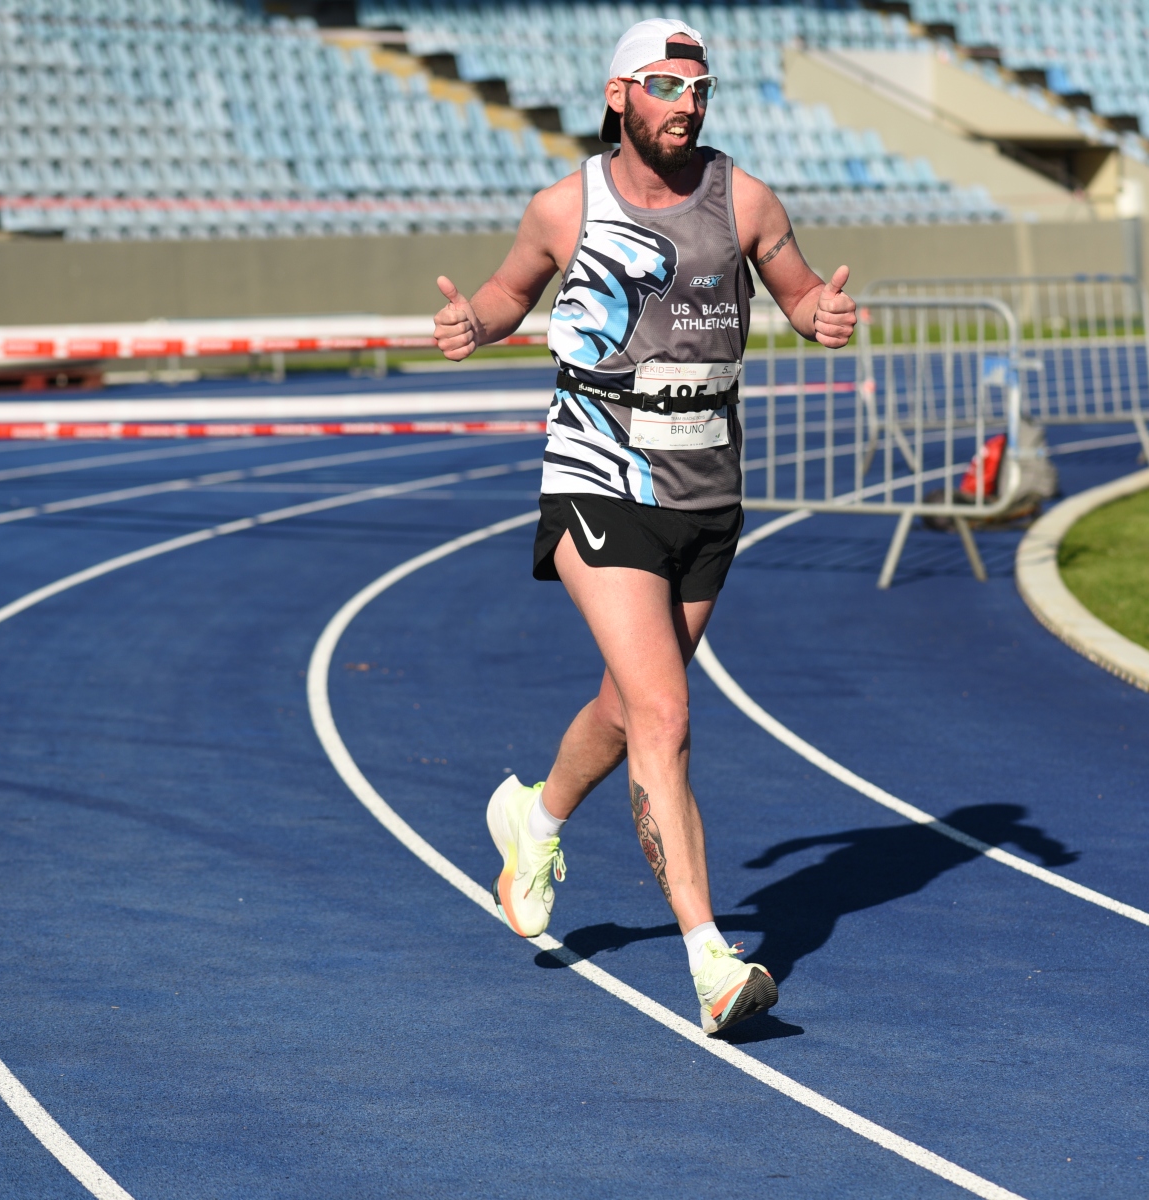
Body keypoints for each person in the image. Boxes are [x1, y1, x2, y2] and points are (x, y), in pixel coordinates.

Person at [432, 17, 857, 1036]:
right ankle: (711, 960)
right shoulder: (565, 206)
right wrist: (474, 323)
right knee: (665, 713)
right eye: (666, 85)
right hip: (599, 471)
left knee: (627, 709)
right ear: (618, 95)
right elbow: (507, 294)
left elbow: (800, 295)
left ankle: (533, 818)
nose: (687, 104)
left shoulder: (745, 200)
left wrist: (822, 317)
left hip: (707, 488)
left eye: (699, 88)